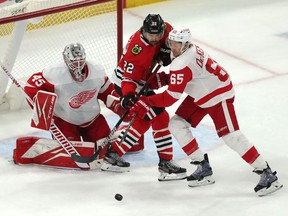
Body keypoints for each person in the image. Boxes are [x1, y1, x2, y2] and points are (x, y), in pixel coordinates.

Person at [128, 27, 283, 196]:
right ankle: (203, 166)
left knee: (231, 136)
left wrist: (147, 101)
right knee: (177, 124)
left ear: (186, 44)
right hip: (202, 93)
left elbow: (171, 96)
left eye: (177, 44)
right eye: (171, 43)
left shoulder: (182, 61)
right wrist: (163, 79)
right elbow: (188, 76)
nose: (173, 47)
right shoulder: (183, 53)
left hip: (218, 94)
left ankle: (267, 174)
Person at [17, 43, 126, 169]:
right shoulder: (55, 73)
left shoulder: (96, 70)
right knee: (73, 151)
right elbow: (31, 85)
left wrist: (120, 103)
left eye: (81, 61)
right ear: (66, 60)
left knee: (105, 147)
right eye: (74, 62)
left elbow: (106, 90)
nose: (78, 65)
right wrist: (41, 104)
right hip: (65, 121)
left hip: (93, 119)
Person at [105, 14, 187, 181]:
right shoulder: (137, 48)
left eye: (158, 34)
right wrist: (128, 95)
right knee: (158, 116)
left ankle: (113, 154)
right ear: (143, 31)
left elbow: (172, 49)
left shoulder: (167, 31)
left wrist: (167, 56)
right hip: (128, 83)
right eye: (151, 35)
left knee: (153, 117)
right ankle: (164, 164)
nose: (155, 38)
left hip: (145, 79)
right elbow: (128, 78)